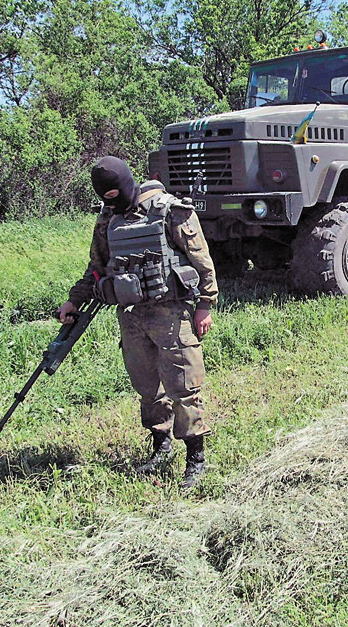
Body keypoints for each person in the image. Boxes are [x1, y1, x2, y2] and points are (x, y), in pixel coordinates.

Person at [57, 156, 218, 491]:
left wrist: (205, 305)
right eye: (106, 197)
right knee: (147, 387)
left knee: (183, 385)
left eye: (116, 193)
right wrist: (75, 298)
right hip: (131, 316)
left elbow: (203, 263)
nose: (112, 201)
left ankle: (195, 458)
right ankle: (161, 445)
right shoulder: (107, 220)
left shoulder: (169, 210)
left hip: (171, 313)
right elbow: (97, 267)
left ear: (129, 183)